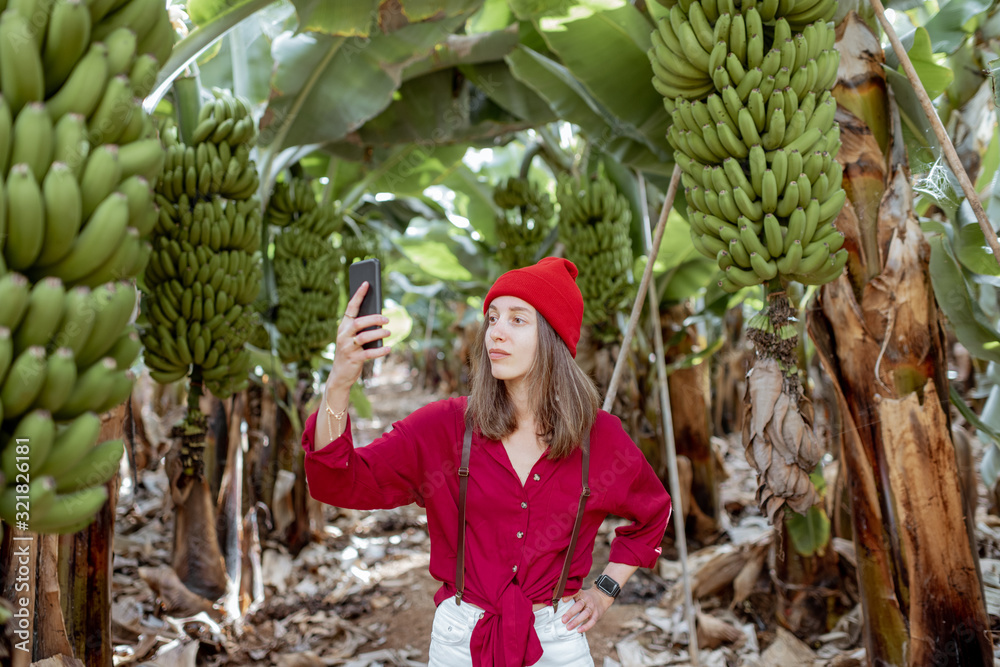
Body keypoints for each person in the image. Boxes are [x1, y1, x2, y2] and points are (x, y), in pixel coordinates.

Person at [302, 257, 672, 667]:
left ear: (552, 337)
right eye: (492, 317)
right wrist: (340, 380)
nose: (495, 331)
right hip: (461, 638)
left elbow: (654, 511)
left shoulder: (598, 436)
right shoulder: (445, 427)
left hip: (557, 636)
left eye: (517, 319)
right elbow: (339, 481)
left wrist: (605, 591)